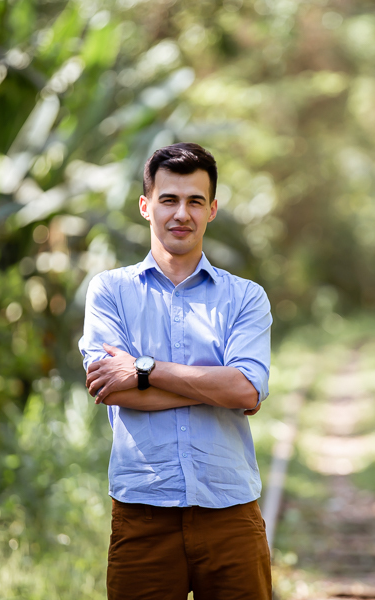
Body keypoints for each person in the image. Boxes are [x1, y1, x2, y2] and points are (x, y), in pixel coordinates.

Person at [79, 143, 273, 600]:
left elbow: (245, 389)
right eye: (169, 199)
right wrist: (215, 384)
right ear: (146, 206)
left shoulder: (245, 297)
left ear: (212, 210)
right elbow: (111, 388)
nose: (181, 213)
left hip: (230, 511)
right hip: (142, 515)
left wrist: (143, 369)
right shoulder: (109, 291)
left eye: (195, 201)